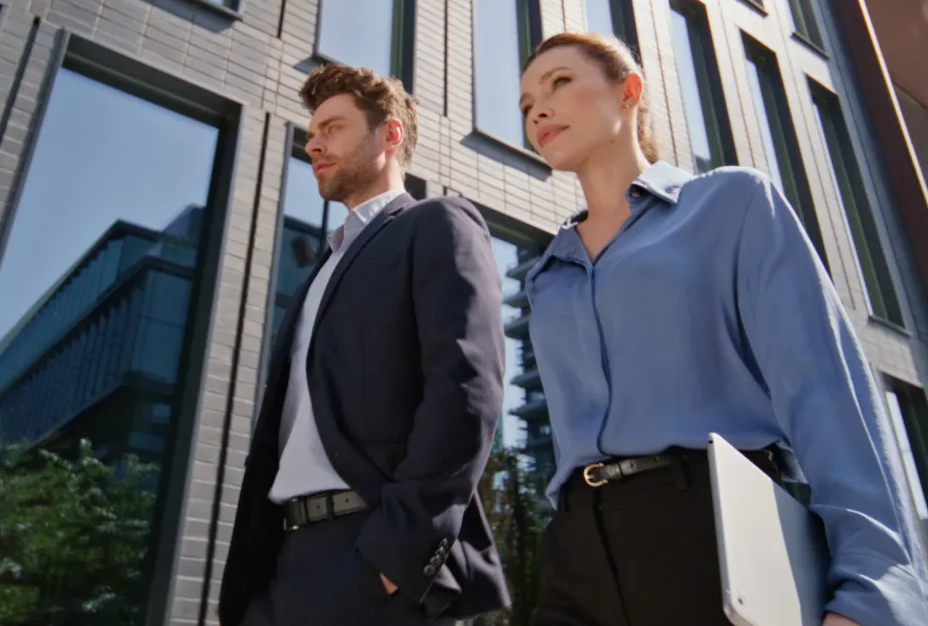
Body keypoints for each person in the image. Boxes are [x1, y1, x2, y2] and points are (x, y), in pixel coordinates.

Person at [517, 31, 928, 626]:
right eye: (527, 104)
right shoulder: (546, 275)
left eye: (558, 83)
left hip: (711, 531)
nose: (539, 111)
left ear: (629, 91)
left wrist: (872, 590)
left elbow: (823, 392)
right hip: (577, 551)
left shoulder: (732, 203)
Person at [219, 64, 510, 626]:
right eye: (311, 133)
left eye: (333, 127)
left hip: (369, 561)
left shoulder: (436, 223)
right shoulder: (320, 269)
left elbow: (466, 388)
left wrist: (396, 555)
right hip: (279, 568)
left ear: (390, 134)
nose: (313, 143)